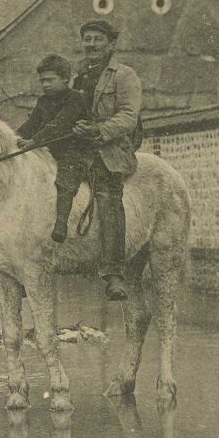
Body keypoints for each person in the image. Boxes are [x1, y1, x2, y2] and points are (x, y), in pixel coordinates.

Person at [70, 19, 143, 301]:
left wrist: (98, 131)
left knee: (108, 198)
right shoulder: (77, 75)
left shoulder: (124, 76)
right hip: (77, 146)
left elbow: (128, 116)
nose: (91, 44)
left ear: (111, 44)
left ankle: (113, 272)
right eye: (87, 39)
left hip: (108, 149)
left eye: (97, 39)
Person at [15, 54, 93, 244]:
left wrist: (34, 142)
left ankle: (61, 224)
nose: (45, 85)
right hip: (49, 152)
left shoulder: (75, 99)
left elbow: (59, 124)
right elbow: (31, 124)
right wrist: (12, 137)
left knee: (66, 179)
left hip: (75, 152)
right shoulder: (43, 101)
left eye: (50, 80)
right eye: (42, 81)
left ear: (65, 79)